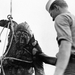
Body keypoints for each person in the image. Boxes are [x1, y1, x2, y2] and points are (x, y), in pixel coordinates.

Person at [46, 0, 75, 75]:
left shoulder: (62, 17)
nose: (53, 19)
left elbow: (66, 45)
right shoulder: (73, 18)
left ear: (56, 8)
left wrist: (58, 72)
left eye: (51, 14)